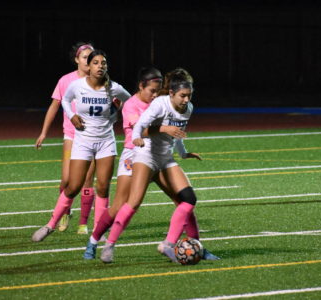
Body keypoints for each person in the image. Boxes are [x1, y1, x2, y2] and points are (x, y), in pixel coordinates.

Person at [88, 68, 219, 263]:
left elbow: (176, 133)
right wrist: (140, 136)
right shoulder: (139, 104)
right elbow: (139, 126)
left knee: (186, 201)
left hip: (165, 157)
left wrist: (183, 153)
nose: (155, 94)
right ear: (142, 87)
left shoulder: (184, 106)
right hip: (140, 153)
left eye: (189, 96)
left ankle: (192, 246)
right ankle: (102, 243)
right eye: (152, 90)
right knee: (127, 203)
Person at [32, 49, 131, 242]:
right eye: (96, 63)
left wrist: (118, 111)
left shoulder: (114, 88)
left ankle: (98, 232)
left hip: (106, 142)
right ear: (89, 66)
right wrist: (72, 115)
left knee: (103, 188)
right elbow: (66, 101)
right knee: (73, 186)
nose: (100, 66)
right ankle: (50, 225)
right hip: (83, 141)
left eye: (104, 63)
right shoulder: (77, 85)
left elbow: (131, 101)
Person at [35, 42, 97, 235]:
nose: (88, 60)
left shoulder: (99, 80)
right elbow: (55, 106)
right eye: (85, 56)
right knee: (66, 180)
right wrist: (44, 132)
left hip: (93, 136)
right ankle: (65, 212)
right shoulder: (66, 81)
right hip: (72, 136)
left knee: (88, 181)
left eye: (91, 56)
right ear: (76, 59)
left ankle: (83, 224)